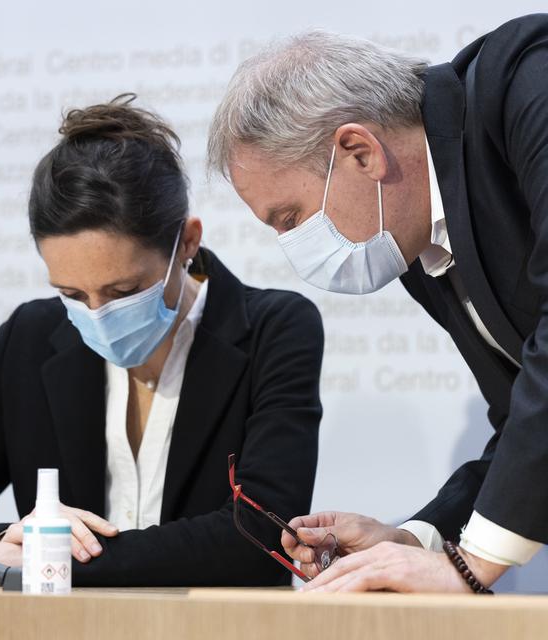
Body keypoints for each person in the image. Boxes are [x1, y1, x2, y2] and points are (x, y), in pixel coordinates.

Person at [0, 95, 324, 587]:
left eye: (124, 291)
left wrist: (52, 556)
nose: (98, 314)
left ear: (187, 242)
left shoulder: (274, 328)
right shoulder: (30, 337)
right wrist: (8, 541)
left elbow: (262, 535)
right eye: (71, 293)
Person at [207, 14, 548, 593]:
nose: (291, 246)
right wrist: (419, 539)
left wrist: (470, 568)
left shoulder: (527, 79)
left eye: (290, 219)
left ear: (360, 151)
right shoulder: (417, 242)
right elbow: (524, 416)